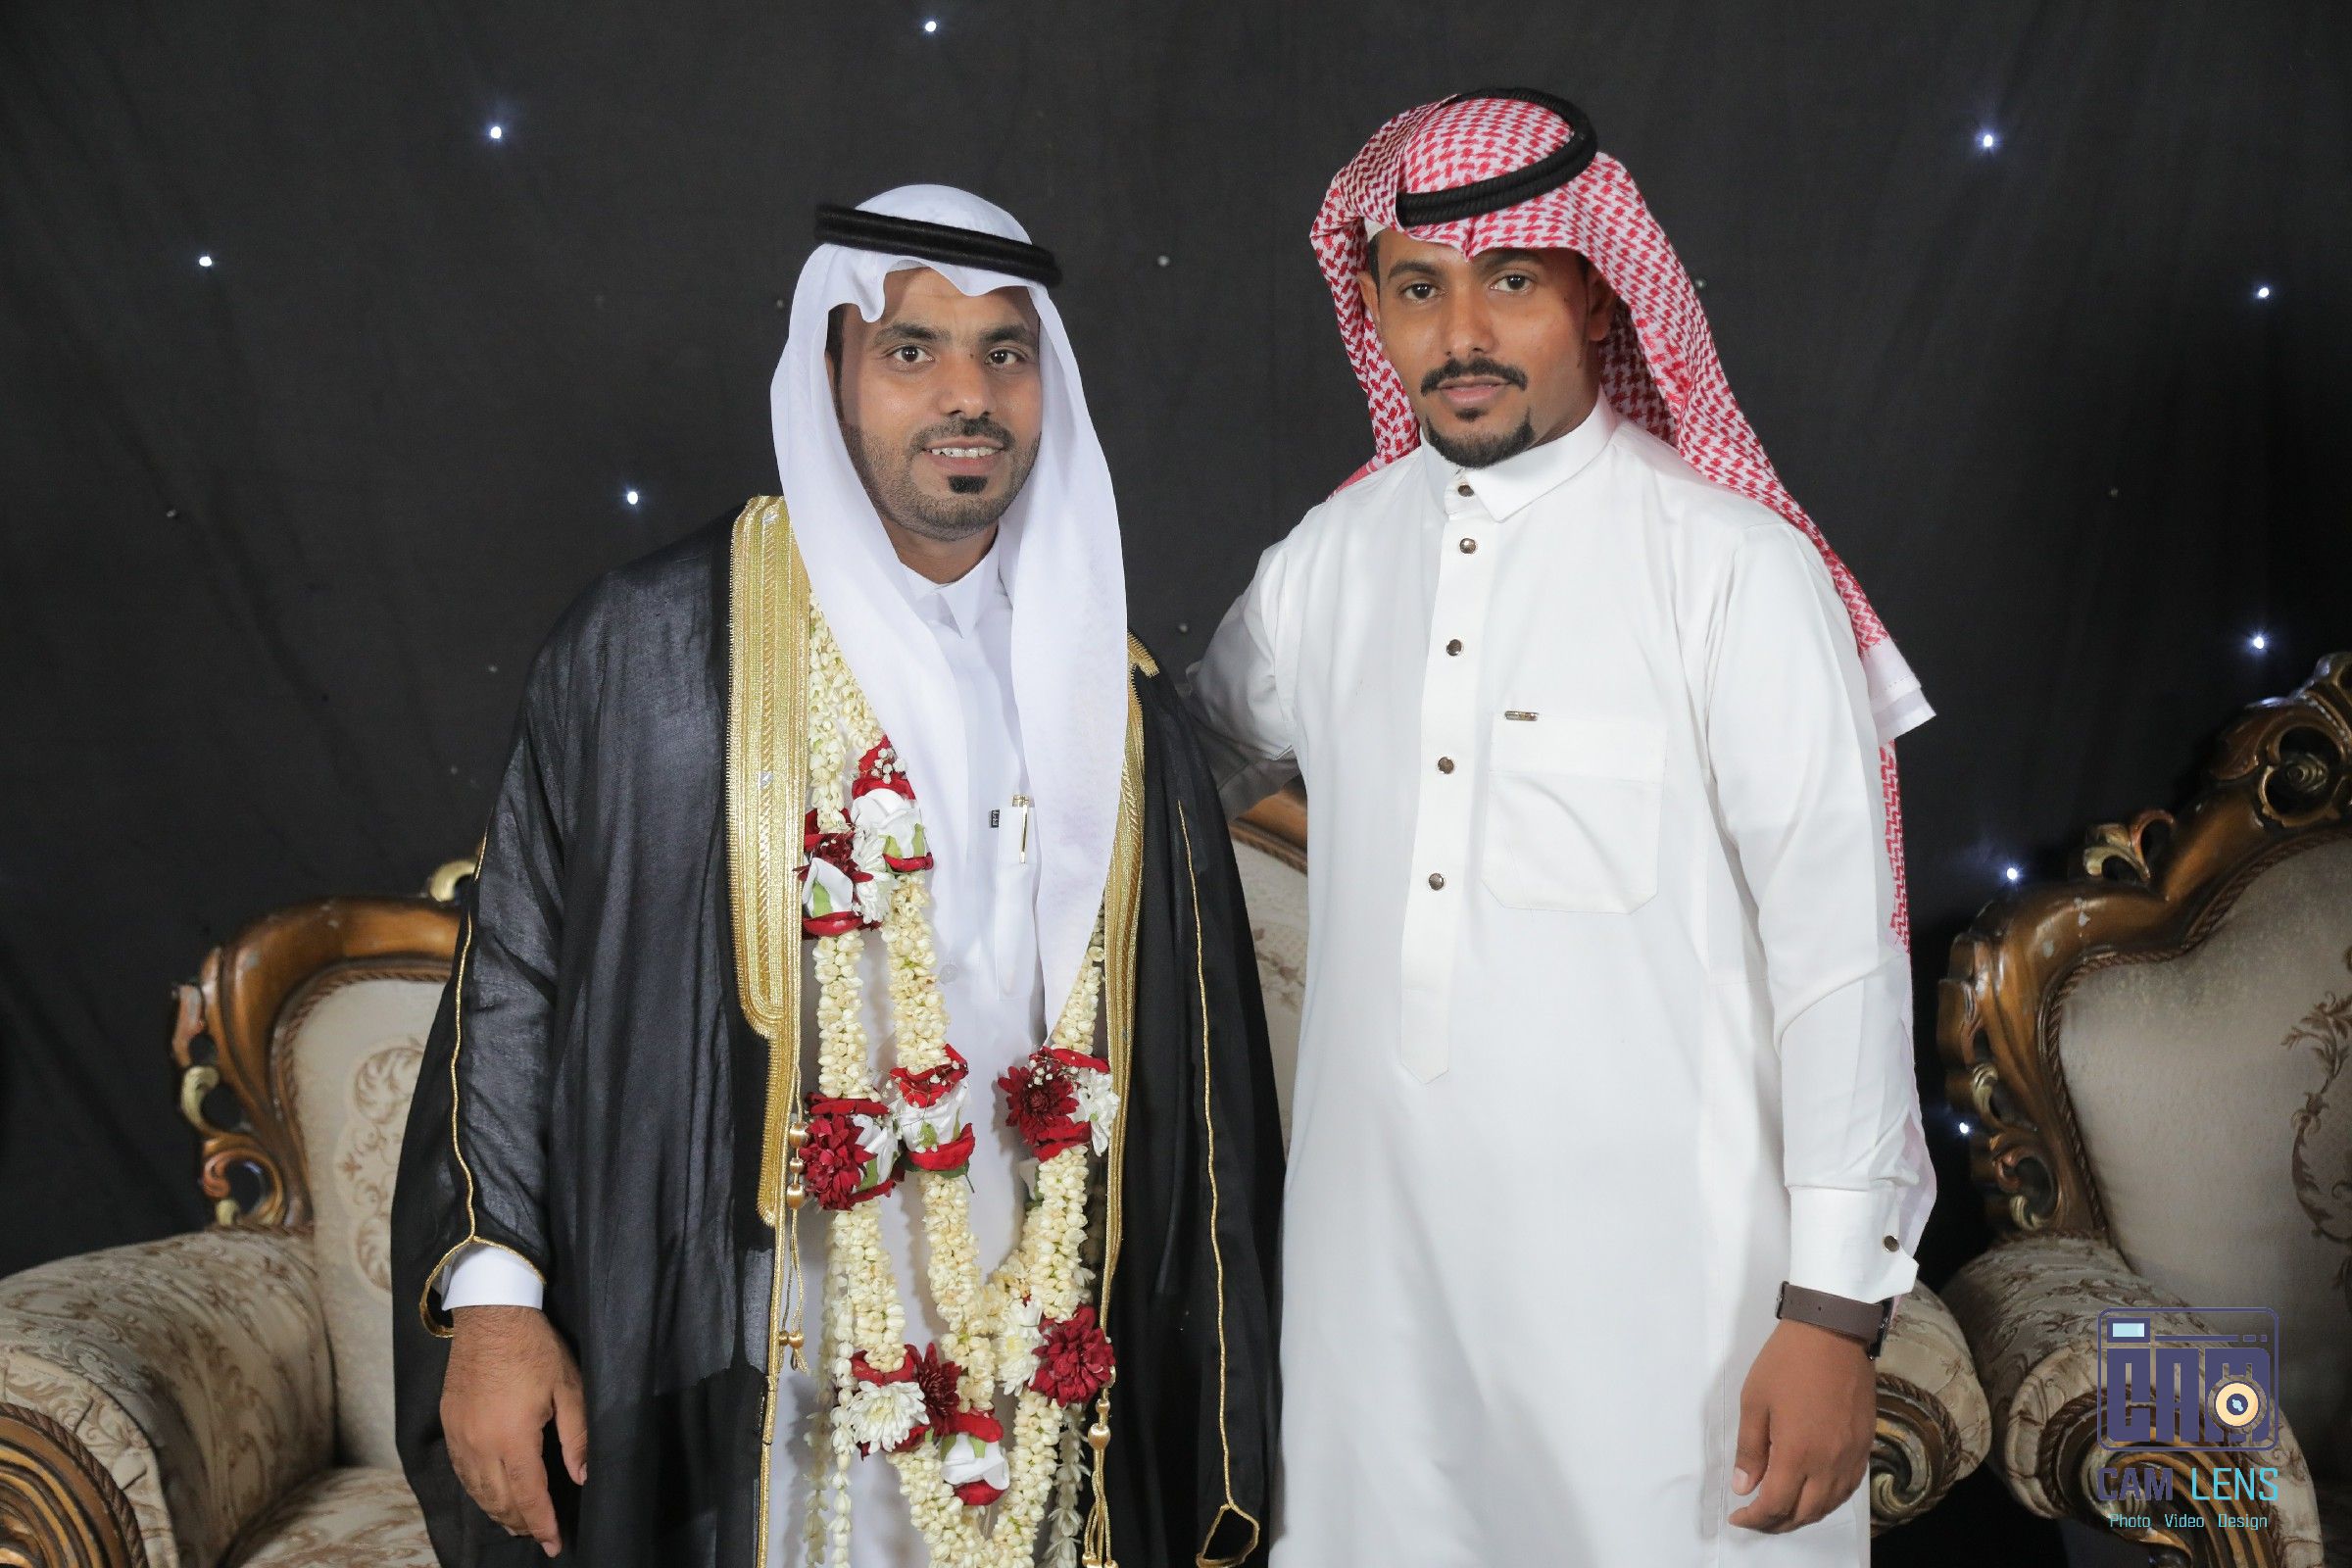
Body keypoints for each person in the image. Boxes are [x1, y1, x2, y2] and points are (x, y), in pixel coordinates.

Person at [392, 184, 1282, 1568]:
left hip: (1042, 1359)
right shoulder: (653, 651)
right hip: (758, 1354)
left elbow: (1201, 1106)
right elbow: (515, 973)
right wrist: (496, 1307)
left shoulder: (1119, 704)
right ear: (830, 375)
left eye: (1004, 352)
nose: (966, 395)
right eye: (911, 350)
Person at [1186, 91, 1936, 1565]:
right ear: (1374, 311)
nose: (1461, 332)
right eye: (1419, 288)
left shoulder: (1730, 568)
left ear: (1597, 294)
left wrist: (1835, 1311)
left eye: (1511, 279)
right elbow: (1170, 773)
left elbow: (1840, 962)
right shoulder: (1327, 563)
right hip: (1374, 1320)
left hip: (1670, 1325)